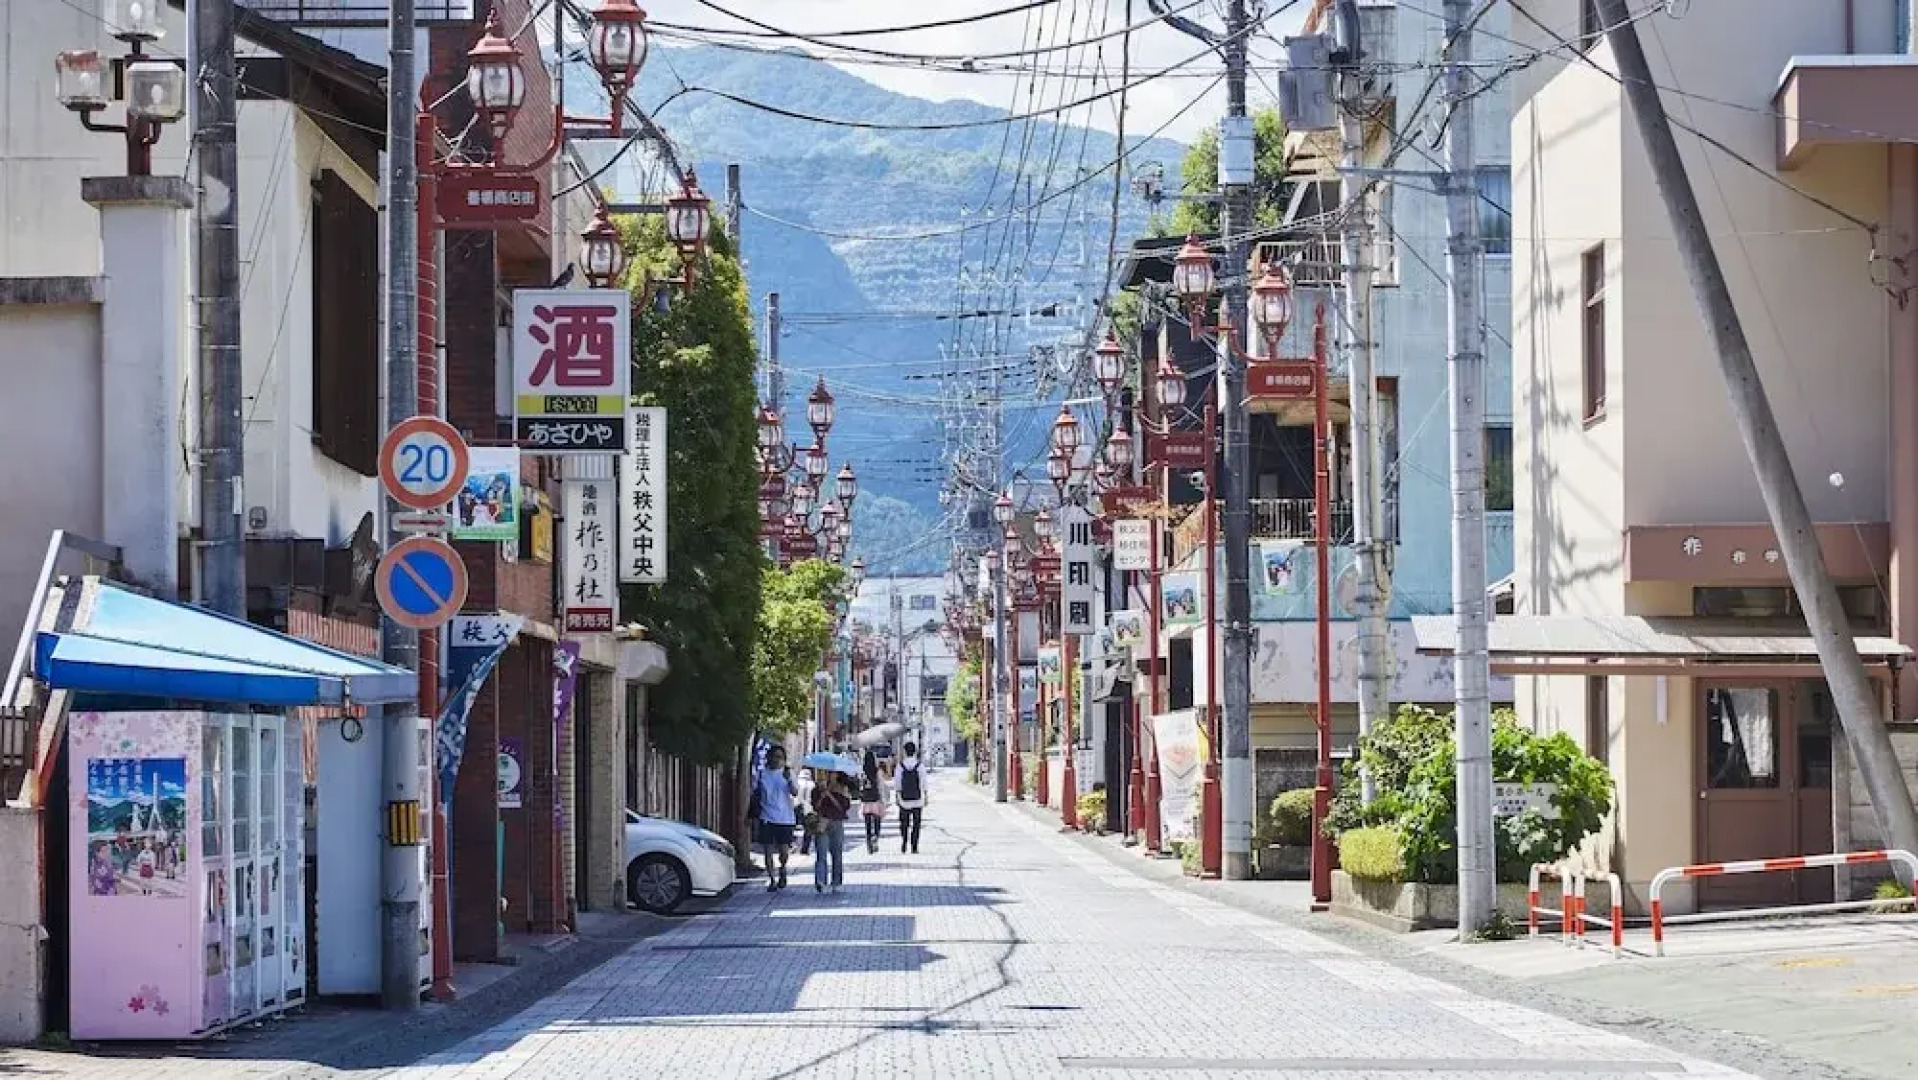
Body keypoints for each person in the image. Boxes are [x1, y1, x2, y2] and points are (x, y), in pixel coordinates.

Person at [750, 746, 799, 891]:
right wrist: (751, 816)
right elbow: (755, 795)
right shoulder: (762, 774)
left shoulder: (788, 773)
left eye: (780, 757)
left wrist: (789, 780)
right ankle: (771, 879)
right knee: (768, 851)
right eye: (774, 756)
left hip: (785, 818)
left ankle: (782, 869)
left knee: (784, 851)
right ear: (769, 758)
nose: (777, 760)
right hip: (767, 817)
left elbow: (795, 793)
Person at [809, 769, 854, 893]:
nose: (829, 775)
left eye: (832, 773)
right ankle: (820, 881)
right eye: (827, 773)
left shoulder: (843, 789)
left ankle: (836, 881)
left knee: (837, 853)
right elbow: (816, 806)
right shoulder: (817, 789)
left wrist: (830, 794)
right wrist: (823, 794)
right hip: (822, 822)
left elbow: (843, 808)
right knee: (821, 853)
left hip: (837, 822)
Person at [895, 742, 926, 854]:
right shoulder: (919, 765)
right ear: (915, 752)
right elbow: (923, 782)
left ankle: (904, 841)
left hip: (904, 799)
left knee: (904, 823)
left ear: (905, 751)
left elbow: (897, 783)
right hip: (917, 799)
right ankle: (914, 846)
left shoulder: (900, 766)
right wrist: (925, 796)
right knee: (916, 824)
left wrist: (897, 796)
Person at [858, 750, 889, 854]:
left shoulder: (862, 771)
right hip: (876, 800)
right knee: (877, 823)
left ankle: (868, 844)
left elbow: (860, 786)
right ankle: (875, 837)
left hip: (865, 801)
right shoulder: (877, 771)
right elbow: (881, 786)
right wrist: (884, 800)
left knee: (867, 825)